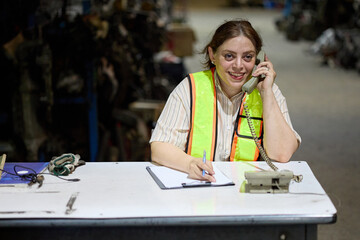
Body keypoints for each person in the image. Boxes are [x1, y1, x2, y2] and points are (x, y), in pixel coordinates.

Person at [149, 19, 301, 183]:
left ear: (258, 59)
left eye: (248, 57)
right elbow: (159, 148)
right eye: (229, 56)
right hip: (201, 190)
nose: (238, 65)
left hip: (248, 193)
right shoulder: (190, 88)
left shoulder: (268, 91)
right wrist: (190, 163)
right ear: (212, 54)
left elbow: (282, 154)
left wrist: (267, 94)